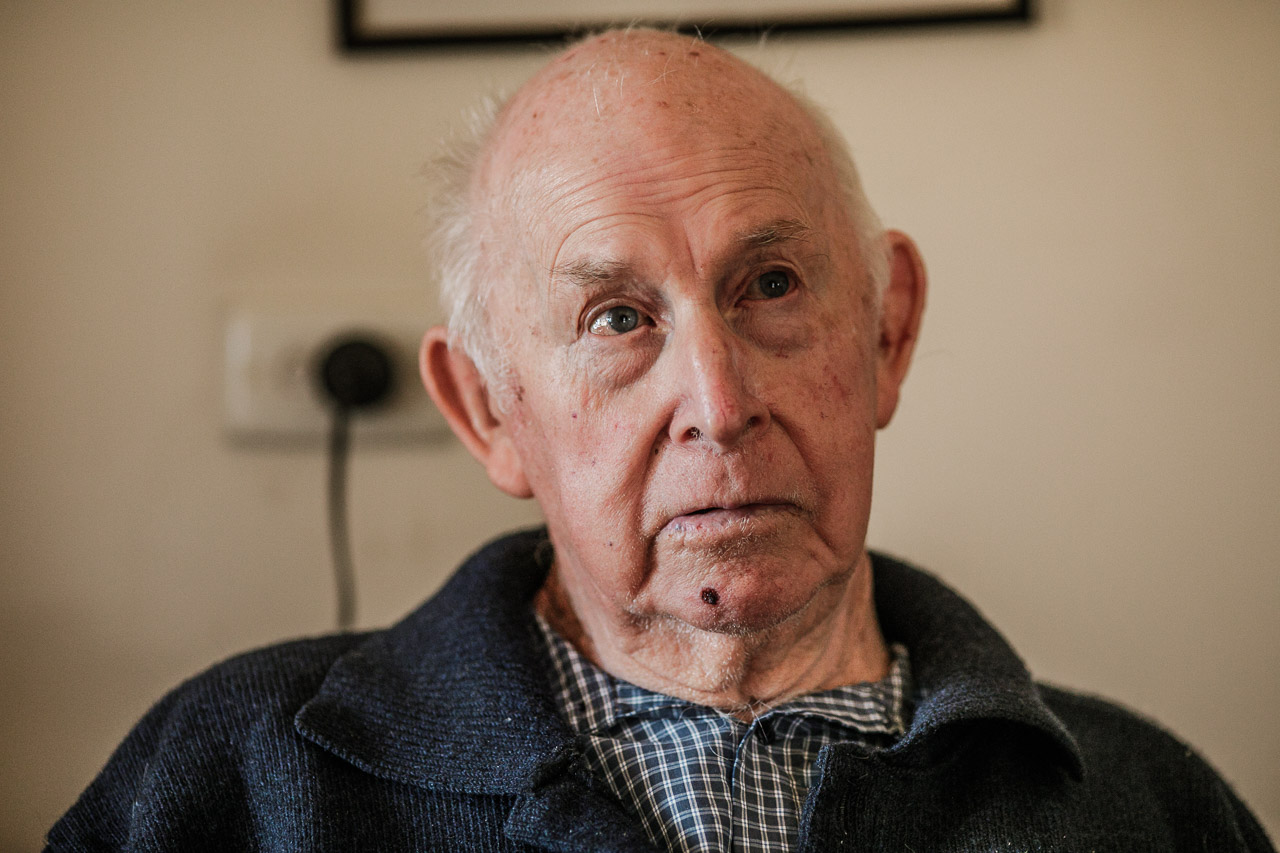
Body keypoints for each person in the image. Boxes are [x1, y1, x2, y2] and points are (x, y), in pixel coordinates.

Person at [47, 28, 1272, 853]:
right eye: (616, 317)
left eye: (773, 284)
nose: (718, 401)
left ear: (887, 330)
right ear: (487, 410)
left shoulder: (1148, 807)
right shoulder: (232, 783)